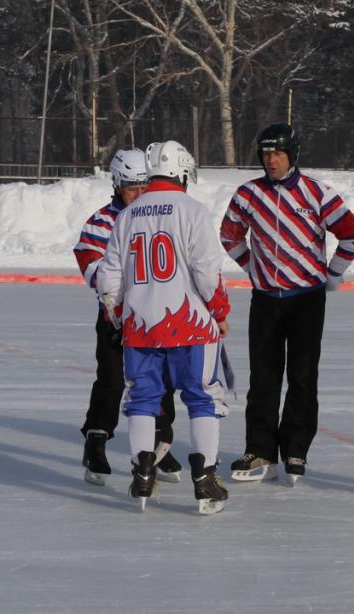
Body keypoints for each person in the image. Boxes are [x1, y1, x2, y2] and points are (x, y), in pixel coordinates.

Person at [219, 123, 354, 485]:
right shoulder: (248, 195)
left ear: (292, 155)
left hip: (306, 300)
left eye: (278, 153)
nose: (271, 160)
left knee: (302, 377)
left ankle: (296, 449)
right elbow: (229, 235)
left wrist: (333, 274)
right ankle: (260, 449)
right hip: (266, 300)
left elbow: (353, 235)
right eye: (266, 154)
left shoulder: (317, 193)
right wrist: (252, 266)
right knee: (264, 377)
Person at [96, 140, 232, 514]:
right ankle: (204, 480)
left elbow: (109, 277)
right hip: (191, 328)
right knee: (203, 398)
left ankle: (142, 474)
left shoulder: (128, 214)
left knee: (142, 399)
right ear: (183, 172)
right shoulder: (193, 210)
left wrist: (119, 314)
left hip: (140, 330)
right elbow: (207, 272)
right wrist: (220, 312)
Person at [73, 148, 181, 487]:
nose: (139, 194)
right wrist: (117, 306)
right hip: (116, 319)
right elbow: (93, 266)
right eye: (132, 187)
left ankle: (158, 446)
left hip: (154, 320)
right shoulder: (102, 222)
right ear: (118, 185)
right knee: (112, 380)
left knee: (162, 382)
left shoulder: (159, 217)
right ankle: (96, 440)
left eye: (144, 186)